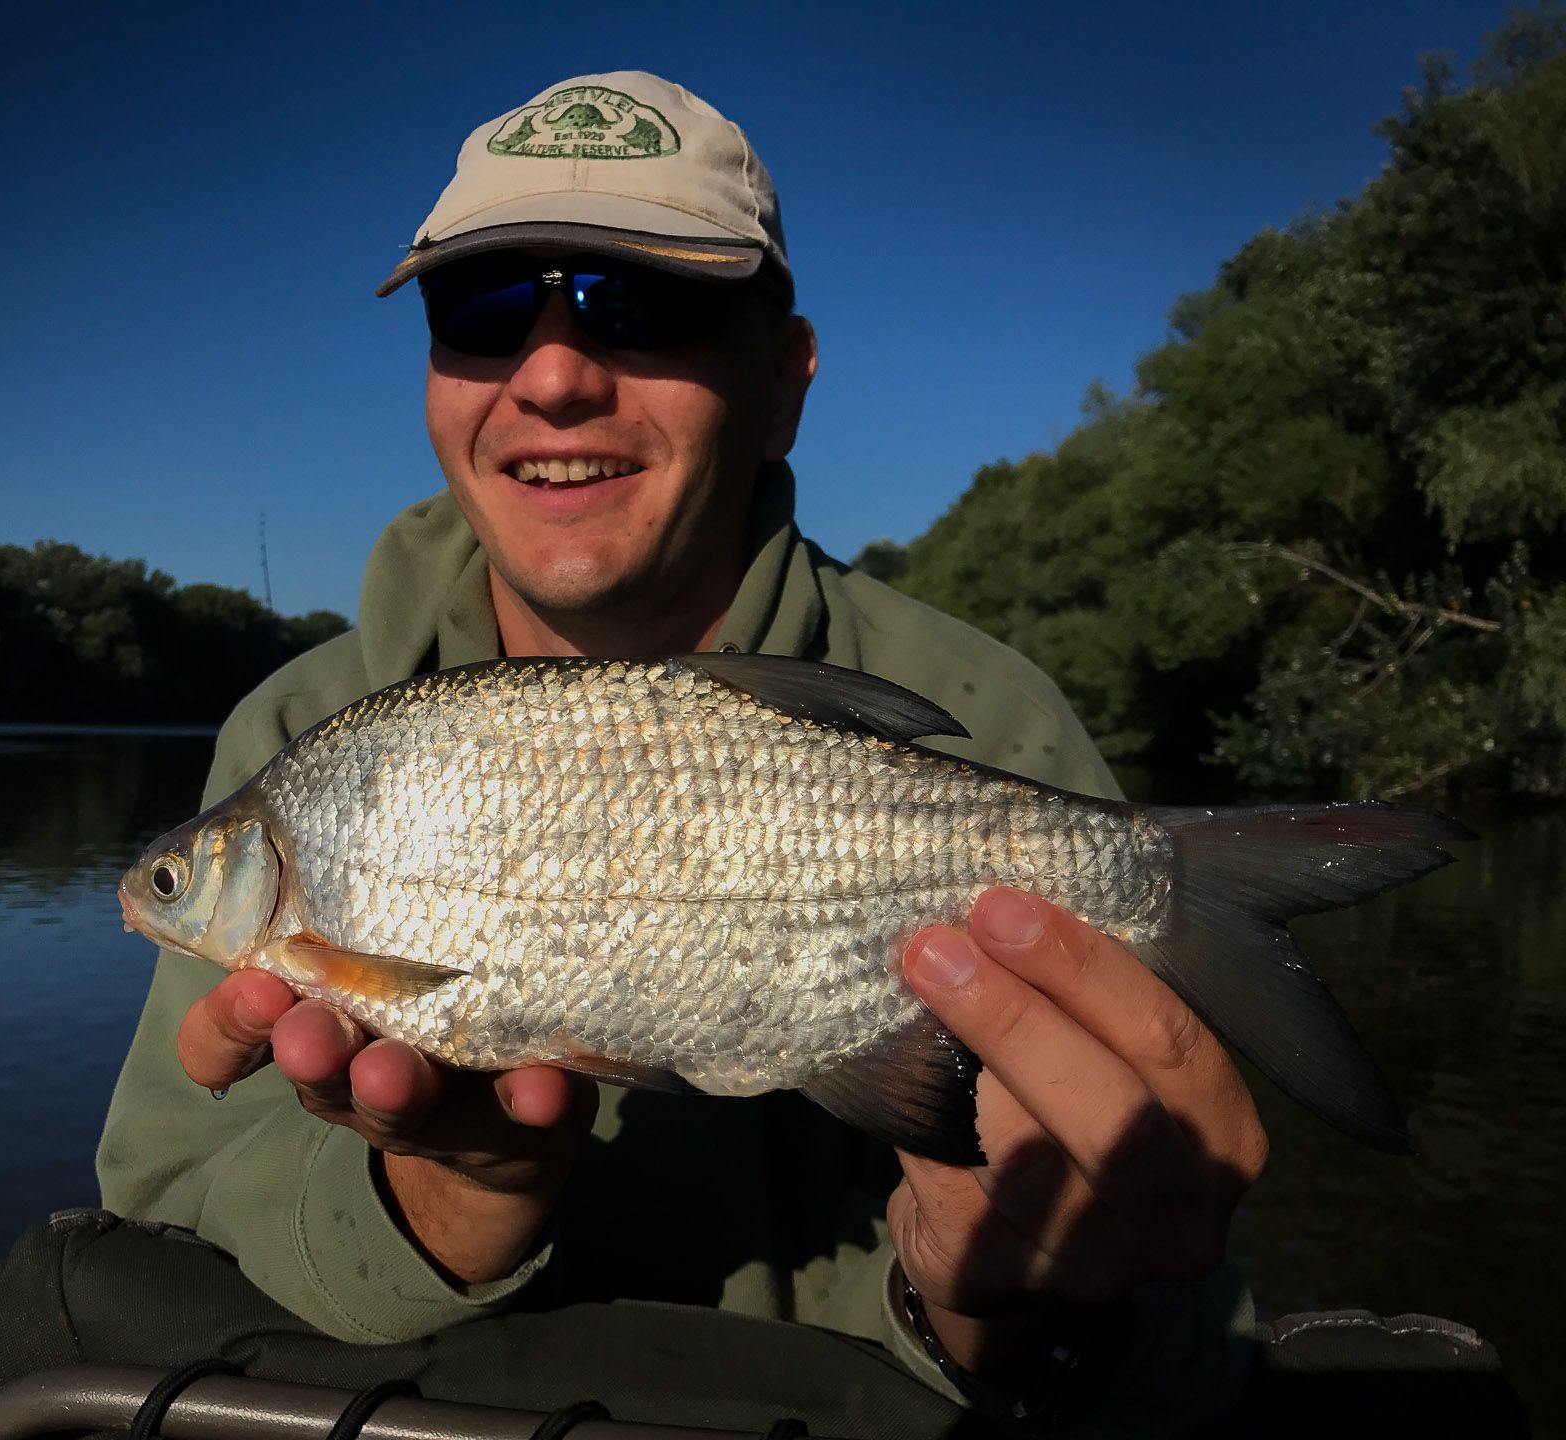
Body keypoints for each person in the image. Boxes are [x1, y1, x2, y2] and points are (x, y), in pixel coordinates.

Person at [92, 71, 1266, 1435]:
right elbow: (153, 1231)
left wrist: (999, 1296)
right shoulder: (298, 732)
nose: (550, 373)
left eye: (637, 304)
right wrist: (438, 1205)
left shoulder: (979, 715)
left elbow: (1185, 1333)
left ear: (781, 380)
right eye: (478, 310)